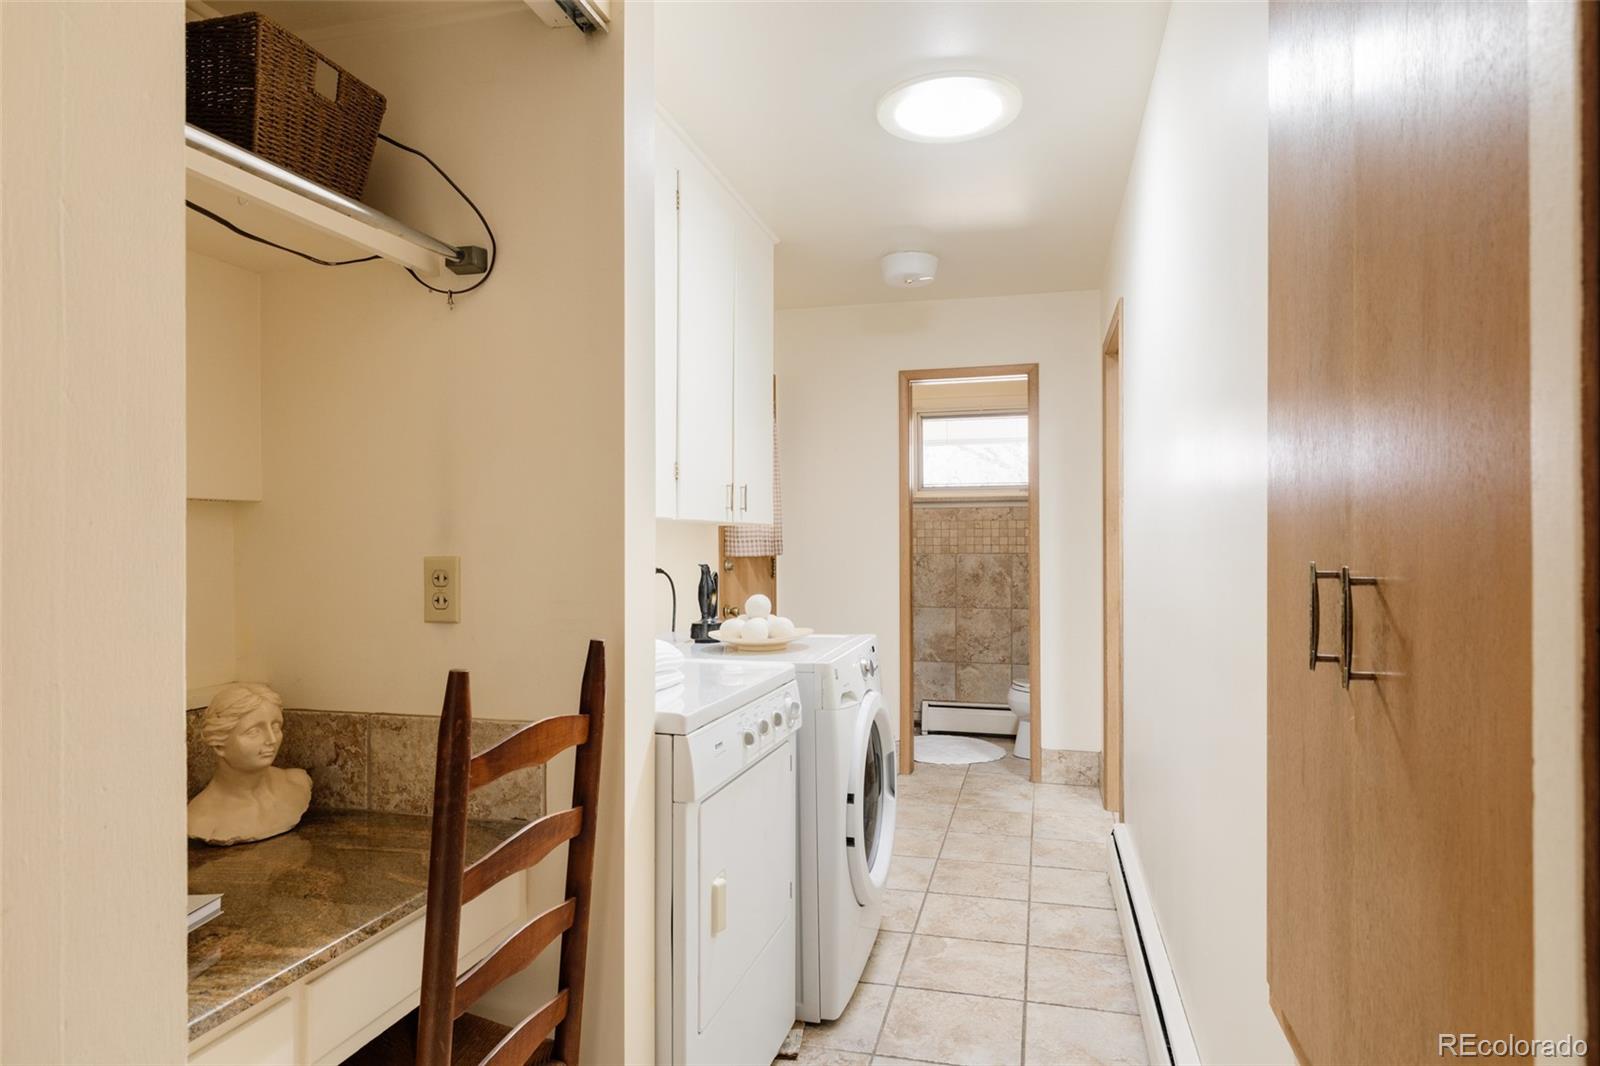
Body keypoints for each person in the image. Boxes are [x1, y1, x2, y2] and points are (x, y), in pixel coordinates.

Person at [187, 682, 311, 845]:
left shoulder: (297, 783)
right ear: (219, 745)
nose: (272, 740)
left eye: (275, 727)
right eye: (254, 731)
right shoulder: (201, 820)